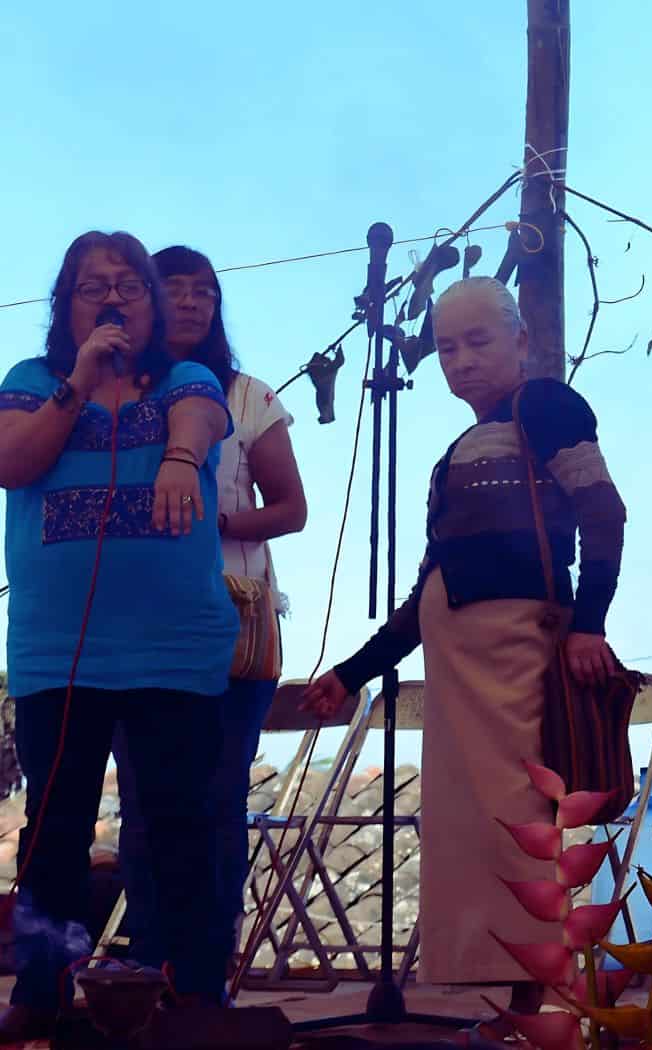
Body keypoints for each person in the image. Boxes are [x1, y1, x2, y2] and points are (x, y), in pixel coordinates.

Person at [301, 277, 626, 1025]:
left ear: (521, 341)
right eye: (447, 347)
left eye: (480, 341)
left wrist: (591, 621)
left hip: (515, 649)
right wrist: (352, 674)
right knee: (469, 825)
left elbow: (602, 510)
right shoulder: (456, 450)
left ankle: (538, 999)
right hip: (457, 664)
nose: (462, 360)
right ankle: (507, 998)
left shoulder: (546, 405)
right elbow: (429, 589)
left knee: (518, 815)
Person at [0, 231, 238, 1038]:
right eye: (92, 286)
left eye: (128, 286)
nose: (111, 298)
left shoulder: (186, 379)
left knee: (178, 825)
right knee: (55, 831)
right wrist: (78, 383)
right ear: (66, 307)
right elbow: (12, 463)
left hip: (174, 653)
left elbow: (204, 420)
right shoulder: (33, 383)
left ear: (153, 304)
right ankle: (42, 986)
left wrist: (177, 457)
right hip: (57, 654)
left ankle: (194, 990)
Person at [112, 246, 307, 973]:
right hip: (135, 623)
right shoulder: (117, 392)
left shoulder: (249, 396)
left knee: (218, 797)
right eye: (176, 290)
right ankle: (145, 967)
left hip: (230, 621)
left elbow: (291, 509)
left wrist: (212, 524)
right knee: (143, 801)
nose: (192, 303)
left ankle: (207, 972)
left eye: (205, 292)